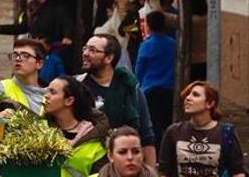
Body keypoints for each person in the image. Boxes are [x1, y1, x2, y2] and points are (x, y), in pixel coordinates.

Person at [76, 34, 157, 166]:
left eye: (92, 50)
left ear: (109, 58)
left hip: (126, 165)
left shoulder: (131, 89)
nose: (85, 53)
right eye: (85, 49)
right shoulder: (77, 87)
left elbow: (147, 136)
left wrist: (151, 171)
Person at [159, 81, 246, 177]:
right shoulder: (173, 132)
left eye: (195, 95)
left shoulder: (226, 133)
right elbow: (164, 172)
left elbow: (238, 172)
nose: (187, 98)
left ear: (209, 104)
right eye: (188, 95)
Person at [44, 76, 110, 177]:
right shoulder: (40, 130)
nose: (46, 96)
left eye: (53, 92)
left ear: (69, 101)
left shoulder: (96, 140)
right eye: (47, 91)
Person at [134, 11, 175, 149]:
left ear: (149, 26)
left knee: (153, 123)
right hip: (169, 88)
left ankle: (157, 150)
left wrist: (136, 84)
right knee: (167, 121)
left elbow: (139, 69)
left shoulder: (146, 45)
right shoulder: (172, 43)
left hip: (150, 90)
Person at [0, 38, 47, 115]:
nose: (18, 59)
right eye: (15, 55)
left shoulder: (51, 96)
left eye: (25, 55)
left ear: (39, 64)